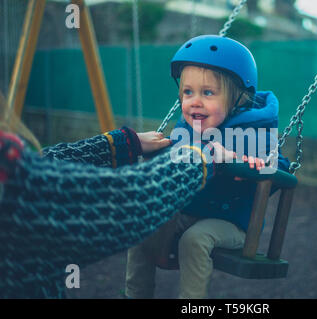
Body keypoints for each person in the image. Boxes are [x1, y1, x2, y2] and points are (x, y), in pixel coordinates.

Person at [0, 90, 236, 298]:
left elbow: (46, 161)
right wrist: (200, 159)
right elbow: (128, 202)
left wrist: (122, 144)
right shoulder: (12, 180)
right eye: (188, 91)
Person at [125, 35, 290, 299]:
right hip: (188, 211)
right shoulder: (187, 128)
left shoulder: (255, 132)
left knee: (195, 239)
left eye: (208, 92)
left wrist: (253, 162)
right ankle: (135, 294)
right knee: (142, 227)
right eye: (188, 92)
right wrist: (155, 148)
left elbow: (281, 166)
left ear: (238, 98)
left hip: (231, 224)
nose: (195, 101)